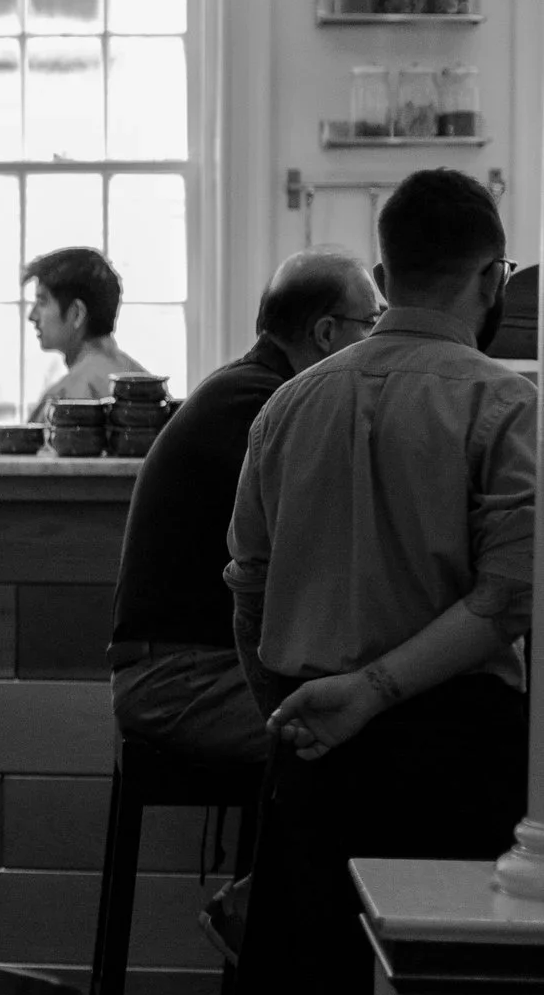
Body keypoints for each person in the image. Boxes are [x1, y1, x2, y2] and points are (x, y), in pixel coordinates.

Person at [222, 168, 532, 995]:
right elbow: (510, 595)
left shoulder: (289, 402)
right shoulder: (501, 403)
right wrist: (381, 686)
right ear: (491, 279)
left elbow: (244, 584)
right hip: (451, 739)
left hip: (311, 744)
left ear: (385, 269)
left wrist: (298, 701)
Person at [111, 251, 383, 767]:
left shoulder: (248, 390)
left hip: (195, 667)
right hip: (176, 681)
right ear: (326, 333)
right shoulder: (265, 406)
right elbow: (324, 553)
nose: (381, 339)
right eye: (372, 322)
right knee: (373, 738)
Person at [22, 246, 147, 421]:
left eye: (42, 302)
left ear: (77, 313)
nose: (32, 315)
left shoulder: (64, 400)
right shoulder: (148, 388)